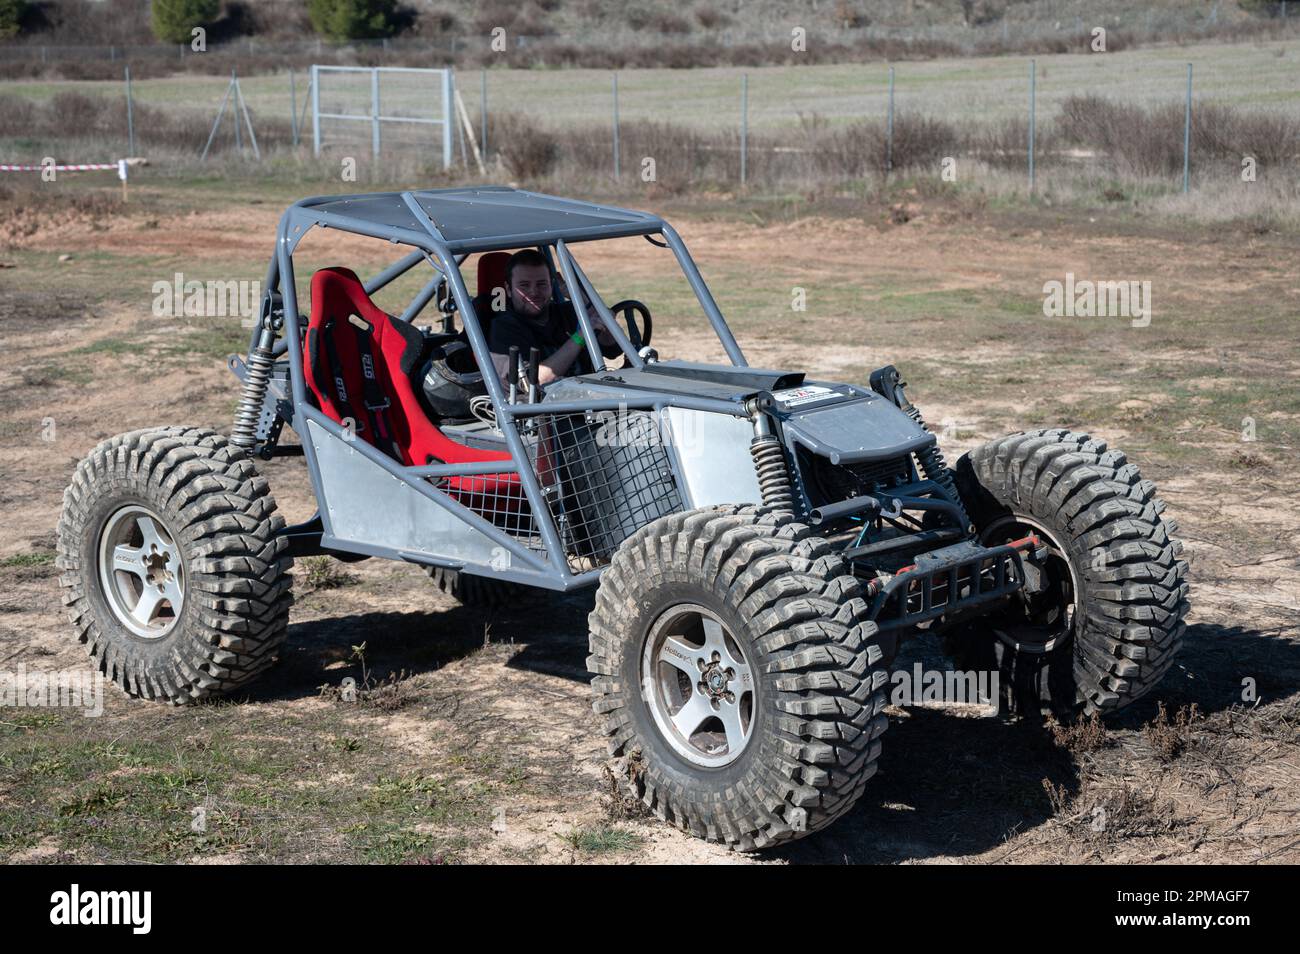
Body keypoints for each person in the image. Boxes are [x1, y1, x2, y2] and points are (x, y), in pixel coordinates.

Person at [486, 249, 614, 391]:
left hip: (590, 401)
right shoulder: (504, 328)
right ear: (509, 290)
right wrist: (580, 337)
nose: (534, 292)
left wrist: (582, 300)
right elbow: (533, 382)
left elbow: (613, 348)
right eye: (524, 285)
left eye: (541, 284)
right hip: (541, 410)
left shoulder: (570, 312)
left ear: (552, 285)